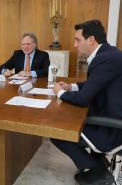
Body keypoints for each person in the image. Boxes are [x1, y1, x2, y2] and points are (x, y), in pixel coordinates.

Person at [51, 19, 122, 185]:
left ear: (91, 40)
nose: (75, 45)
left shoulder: (105, 59)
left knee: (56, 130)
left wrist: (59, 92)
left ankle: (98, 172)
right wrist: (72, 86)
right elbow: (96, 84)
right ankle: (98, 164)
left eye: (78, 40)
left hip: (111, 126)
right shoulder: (109, 54)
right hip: (111, 115)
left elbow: (83, 100)